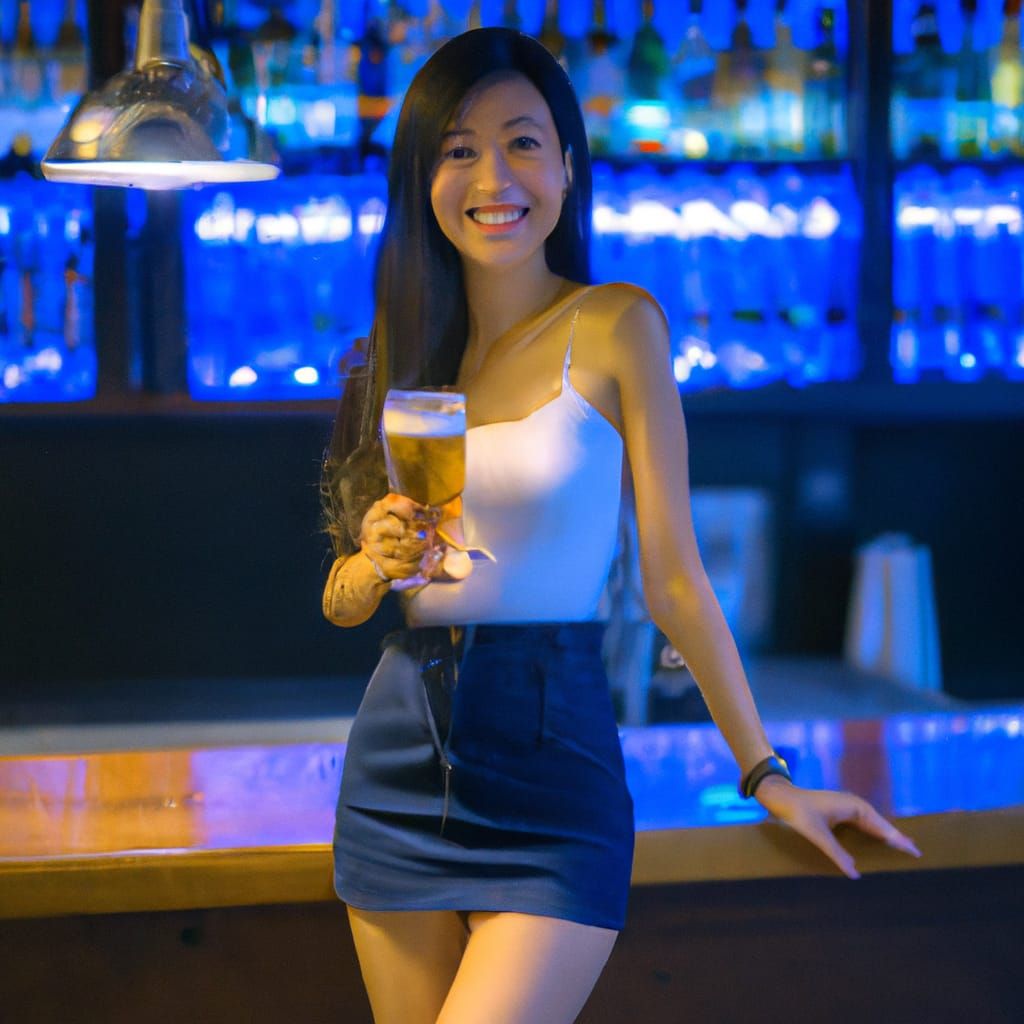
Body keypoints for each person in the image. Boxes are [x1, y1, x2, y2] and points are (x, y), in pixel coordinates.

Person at [320, 27, 921, 1024]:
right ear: (423, 179)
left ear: (566, 165)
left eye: (521, 142)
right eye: (459, 149)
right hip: (397, 761)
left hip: (553, 761)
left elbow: (672, 577)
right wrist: (372, 562)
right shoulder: (394, 359)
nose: (493, 177)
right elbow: (344, 603)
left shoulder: (616, 324)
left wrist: (765, 772)